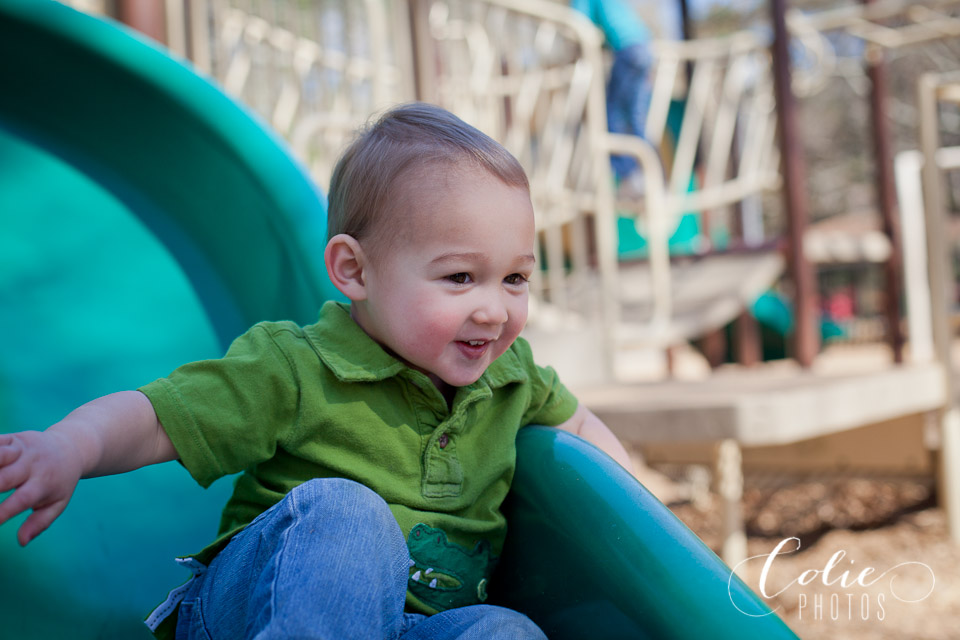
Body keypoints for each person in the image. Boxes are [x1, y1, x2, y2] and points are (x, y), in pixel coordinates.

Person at [0, 102, 633, 640]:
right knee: (346, 516)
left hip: (411, 626)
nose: (494, 309)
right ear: (354, 271)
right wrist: (70, 447)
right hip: (257, 612)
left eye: (515, 277)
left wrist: (649, 520)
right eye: (460, 277)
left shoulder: (510, 374)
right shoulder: (295, 365)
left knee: (505, 631)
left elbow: (578, 425)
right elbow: (158, 420)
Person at [570, 0, 653, 196]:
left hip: (627, 52)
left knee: (611, 114)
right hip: (644, 47)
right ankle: (646, 175)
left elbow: (578, 23)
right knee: (635, 115)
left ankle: (629, 176)